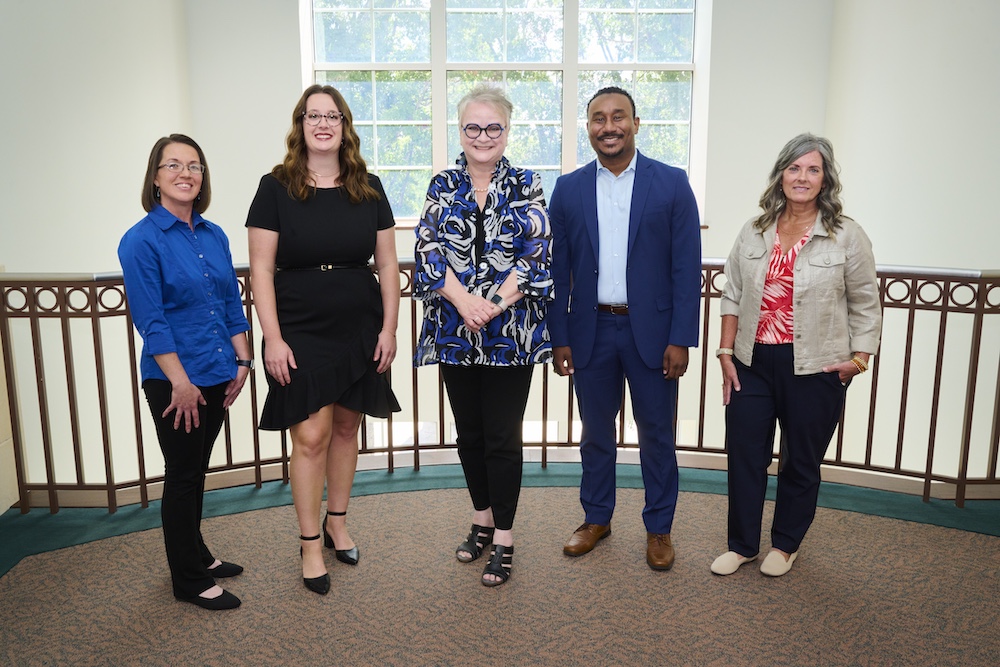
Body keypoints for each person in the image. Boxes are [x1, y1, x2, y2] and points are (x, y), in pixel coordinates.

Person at [247, 85, 401, 596]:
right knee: (310, 436)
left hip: (359, 322)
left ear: (344, 125)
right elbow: (261, 270)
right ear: (301, 124)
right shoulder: (275, 187)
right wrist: (272, 338)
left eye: (332, 115)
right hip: (300, 327)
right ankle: (310, 542)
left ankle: (338, 521)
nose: (323, 124)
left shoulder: (369, 186)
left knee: (346, 428)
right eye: (313, 115)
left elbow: (387, 265)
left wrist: (389, 329)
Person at [711, 133, 881, 577]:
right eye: (794, 168)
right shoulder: (754, 230)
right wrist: (726, 352)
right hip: (751, 362)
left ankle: (785, 545)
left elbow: (866, 302)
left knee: (800, 461)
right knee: (745, 455)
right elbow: (732, 295)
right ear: (781, 174)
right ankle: (742, 544)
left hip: (815, 366)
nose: (802, 177)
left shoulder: (846, 236)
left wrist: (859, 360)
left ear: (825, 180)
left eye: (812, 170)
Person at [548, 86, 702, 571]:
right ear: (588, 127)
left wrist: (682, 337)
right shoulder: (568, 188)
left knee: (656, 434)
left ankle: (659, 528)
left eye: (618, 117)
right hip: (591, 330)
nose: (608, 126)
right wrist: (561, 336)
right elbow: (557, 271)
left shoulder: (672, 183)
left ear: (636, 123)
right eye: (598, 118)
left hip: (653, 336)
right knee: (595, 433)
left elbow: (686, 267)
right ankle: (597, 517)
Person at [413, 85, 552, 587]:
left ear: (507, 130)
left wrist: (491, 304)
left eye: (493, 127)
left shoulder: (528, 184)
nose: (483, 136)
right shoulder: (442, 184)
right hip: (454, 330)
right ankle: (482, 518)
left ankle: (507, 536)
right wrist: (463, 301)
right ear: (461, 130)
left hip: (509, 333)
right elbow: (427, 252)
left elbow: (535, 255)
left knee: (501, 437)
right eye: (473, 127)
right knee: (469, 434)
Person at [119, 134, 252, 610]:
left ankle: (197, 553)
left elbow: (230, 305)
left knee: (196, 469)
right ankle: (188, 580)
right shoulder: (140, 241)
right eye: (173, 165)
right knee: (181, 474)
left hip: (217, 371)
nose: (185, 173)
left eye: (194, 165)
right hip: (174, 381)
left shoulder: (214, 235)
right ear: (155, 177)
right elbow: (150, 321)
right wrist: (180, 381)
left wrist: (243, 361)